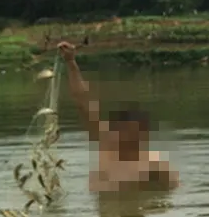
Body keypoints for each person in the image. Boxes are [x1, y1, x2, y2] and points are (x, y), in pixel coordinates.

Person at [57, 41, 179, 193]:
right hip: (107, 211)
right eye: (125, 132)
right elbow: (83, 102)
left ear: (144, 136)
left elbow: (172, 195)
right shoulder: (106, 145)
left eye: (136, 134)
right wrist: (71, 63)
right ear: (115, 131)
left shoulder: (155, 166)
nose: (130, 138)